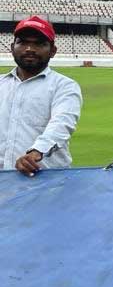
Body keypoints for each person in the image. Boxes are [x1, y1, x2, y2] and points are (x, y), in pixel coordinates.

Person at [0, 16, 82, 177]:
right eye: (22, 42)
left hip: (46, 182)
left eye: (39, 43)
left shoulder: (64, 86)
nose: (29, 49)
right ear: (12, 47)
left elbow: (62, 124)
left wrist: (37, 151)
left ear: (53, 51)